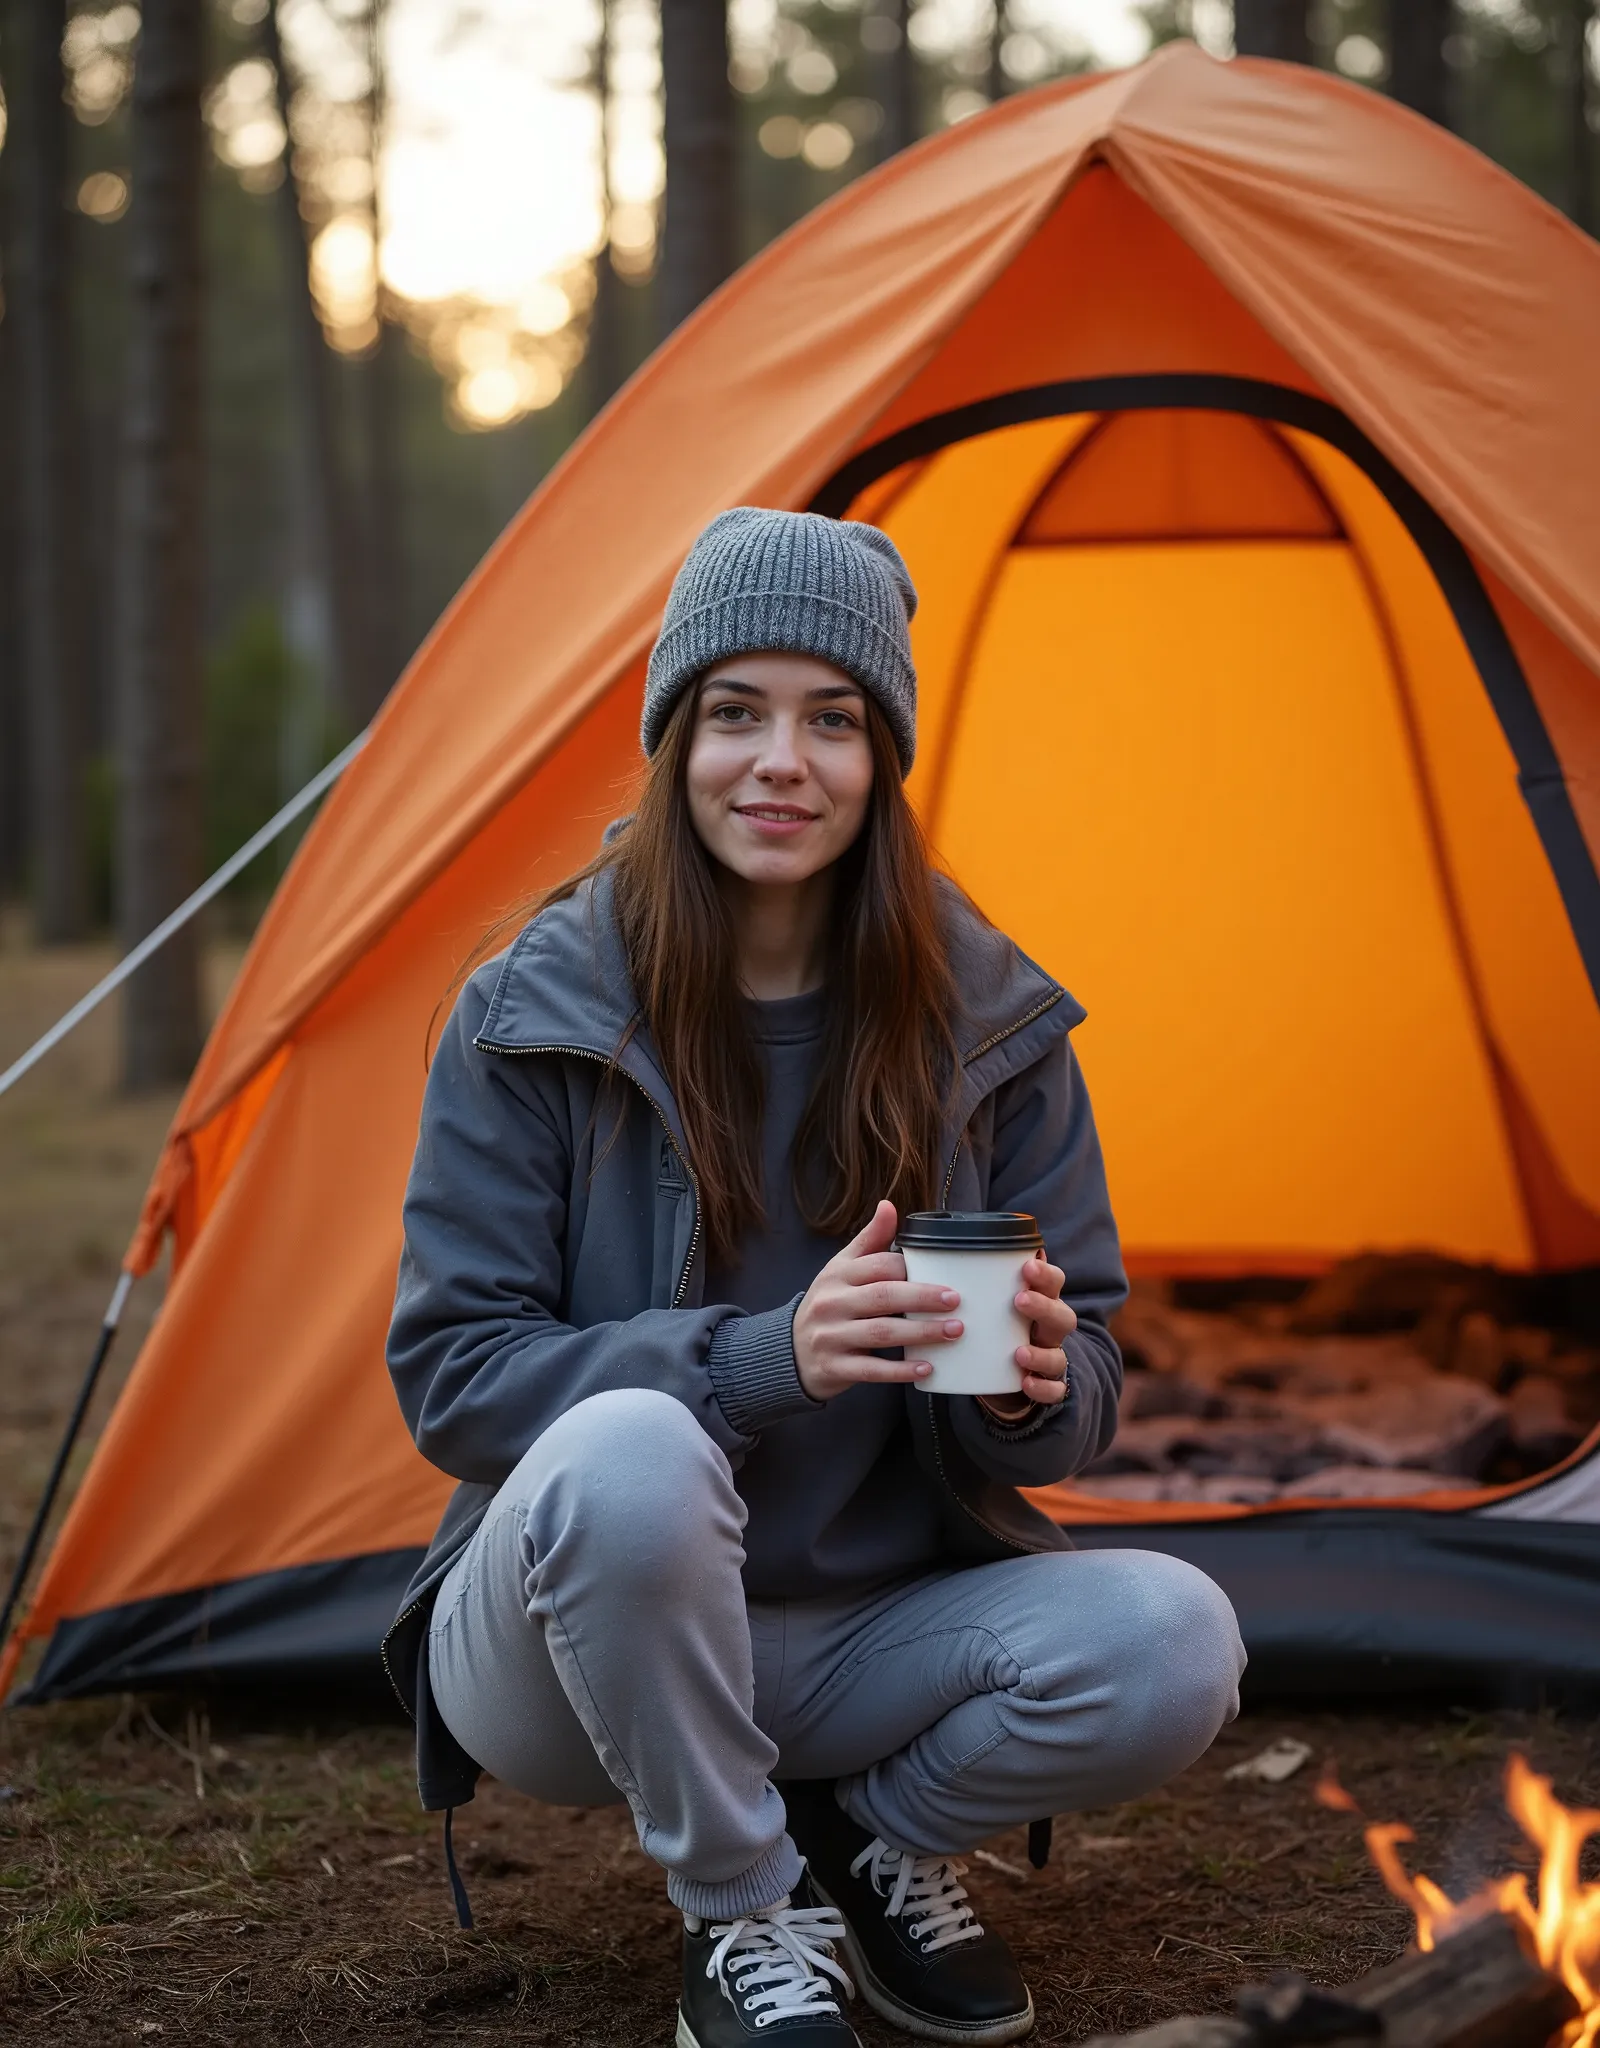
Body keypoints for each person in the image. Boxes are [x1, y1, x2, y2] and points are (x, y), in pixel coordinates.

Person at [382, 508, 1246, 2048]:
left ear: (882, 758)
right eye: (736, 712)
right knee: (638, 1445)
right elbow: (451, 1378)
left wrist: (1032, 1386)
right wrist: (766, 1355)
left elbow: (1090, 1367)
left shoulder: (993, 1021)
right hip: (571, 1649)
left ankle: (875, 1840)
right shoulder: (532, 1010)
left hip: (869, 1638)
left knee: (1177, 1640)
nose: (782, 760)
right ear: (675, 740)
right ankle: (743, 1910)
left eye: (832, 719)